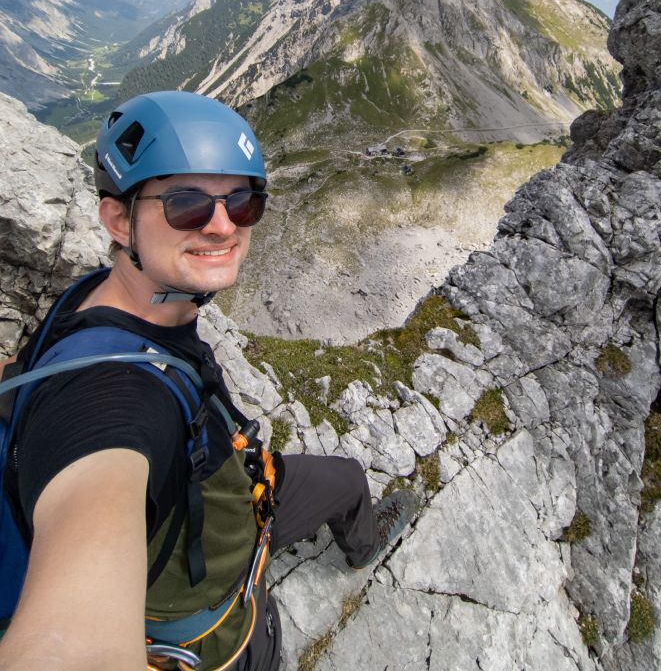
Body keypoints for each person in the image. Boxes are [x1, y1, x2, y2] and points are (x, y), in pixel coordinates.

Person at [0, 91, 416, 671]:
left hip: (229, 487)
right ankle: (359, 550)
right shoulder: (113, 404)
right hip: (207, 605)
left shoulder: (90, 300)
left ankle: (362, 543)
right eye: (186, 204)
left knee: (346, 478)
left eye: (243, 201)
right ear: (118, 218)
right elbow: (70, 639)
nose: (222, 226)